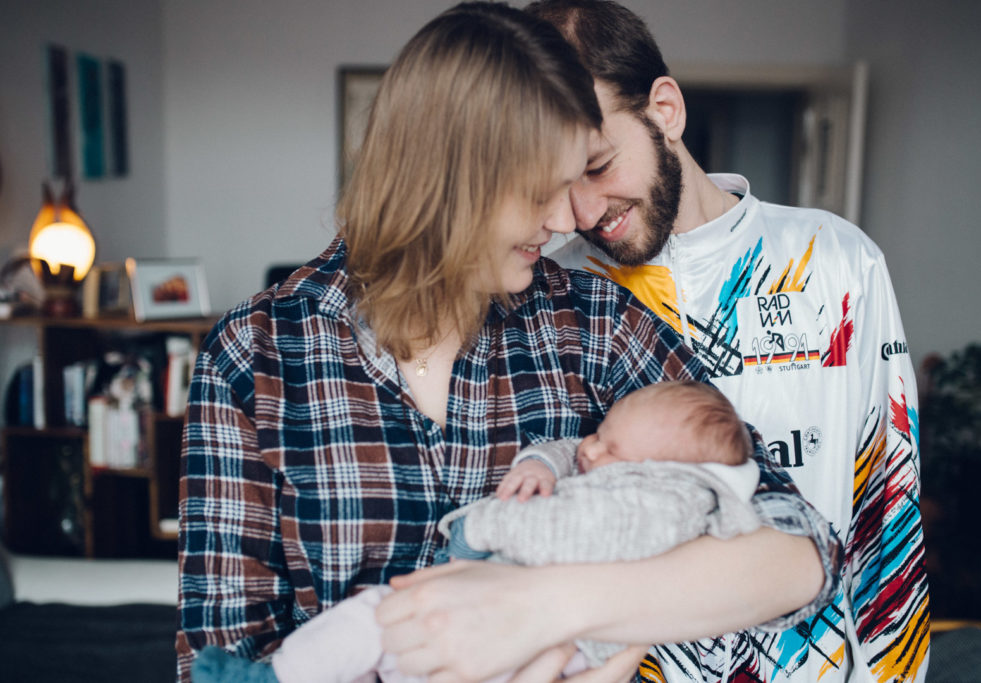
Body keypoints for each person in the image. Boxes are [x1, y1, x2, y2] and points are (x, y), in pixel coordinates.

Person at [176, 3, 840, 682]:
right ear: (451, 179)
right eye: (539, 191)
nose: (565, 221)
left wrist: (543, 606)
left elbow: (800, 550)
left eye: (576, 179)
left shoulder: (595, 324)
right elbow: (219, 657)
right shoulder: (254, 356)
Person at [524, 1, 929, 681]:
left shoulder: (834, 259)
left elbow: (888, 507)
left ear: (665, 110)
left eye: (597, 165)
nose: (585, 212)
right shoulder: (554, 292)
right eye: (560, 183)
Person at [268, 381, 761, 682]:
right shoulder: (633, 470)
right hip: (494, 635)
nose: (589, 450)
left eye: (608, 446)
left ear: (660, 472)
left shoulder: (651, 509)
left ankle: (276, 676)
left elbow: (563, 532)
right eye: (598, 432)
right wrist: (539, 464)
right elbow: (568, 448)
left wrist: (481, 526)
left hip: (524, 650)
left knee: (376, 617)